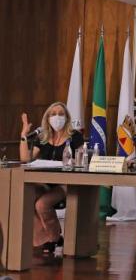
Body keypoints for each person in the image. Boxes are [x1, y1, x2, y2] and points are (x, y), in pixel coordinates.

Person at [18, 102, 84, 253]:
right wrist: (23, 136)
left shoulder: (75, 137)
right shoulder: (43, 137)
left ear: (67, 117)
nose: (57, 117)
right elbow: (25, 160)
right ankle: (46, 237)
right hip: (46, 183)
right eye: (53, 114)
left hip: (65, 185)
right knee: (26, 197)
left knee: (41, 204)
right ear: (47, 118)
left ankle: (53, 238)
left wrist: (74, 161)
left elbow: (82, 160)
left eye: (61, 114)